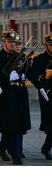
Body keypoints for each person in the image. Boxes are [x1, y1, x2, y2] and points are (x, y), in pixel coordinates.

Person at [0, 19, 44, 165]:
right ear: (4, 42)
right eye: (11, 42)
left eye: (16, 43)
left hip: (20, 93)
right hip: (6, 94)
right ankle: (16, 153)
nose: (14, 45)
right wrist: (6, 79)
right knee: (11, 124)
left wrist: (41, 87)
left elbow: (31, 73)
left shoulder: (20, 58)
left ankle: (2, 148)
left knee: (19, 124)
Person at [31, 23, 52, 160]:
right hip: (48, 94)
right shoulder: (39, 59)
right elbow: (36, 76)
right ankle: (46, 148)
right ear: (46, 46)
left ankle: (46, 148)